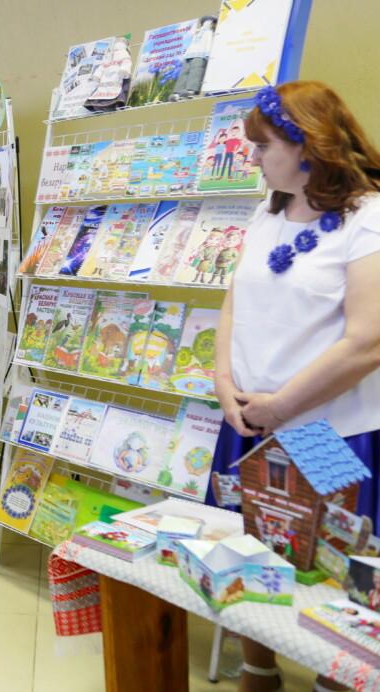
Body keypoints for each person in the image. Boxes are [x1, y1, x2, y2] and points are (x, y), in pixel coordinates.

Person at [210, 81, 380, 692]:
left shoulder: (368, 218)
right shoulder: (271, 208)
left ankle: (332, 679)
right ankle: (258, 671)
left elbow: (367, 342)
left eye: (263, 144)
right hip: (250, 425)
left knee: (330, 571)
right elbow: (237, 296)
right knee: (251, 554)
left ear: (309, 145)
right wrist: (224, 379)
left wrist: (282, 406)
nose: (251, 156)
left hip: (322, 432)